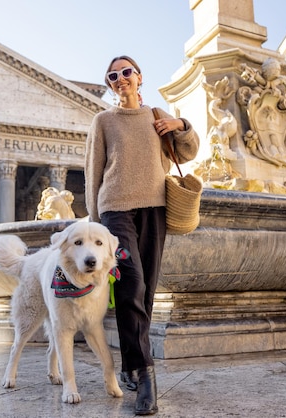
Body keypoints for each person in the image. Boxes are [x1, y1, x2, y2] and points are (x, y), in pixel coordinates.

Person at [84, 55, 200, 416]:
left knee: (146, 288)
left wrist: (181, 122)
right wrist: (94, 221)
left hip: (155, 207)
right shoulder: (103, 120)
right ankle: (146, 375)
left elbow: (189, 150)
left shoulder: (155, 116)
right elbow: (94, 172)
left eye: (126, 73)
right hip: (116, 209)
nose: (121, 79)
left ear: (139, 78)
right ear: (110, 84)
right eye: (113, 76)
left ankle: (130, 364)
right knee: (130, 282)